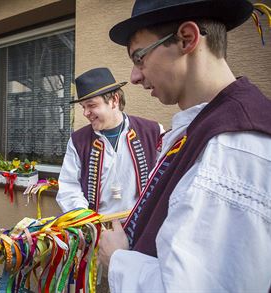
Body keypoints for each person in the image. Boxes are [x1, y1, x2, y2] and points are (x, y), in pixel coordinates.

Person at [99, 0, 271, 291]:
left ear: (187, 38)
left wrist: (118, 258)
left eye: (139, 57)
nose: (134, 76)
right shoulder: (205, 126)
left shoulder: (231, 148)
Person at [56, 67, 162, 215]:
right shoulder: (78, 141)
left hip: (139, 225)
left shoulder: (153, 131)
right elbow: (69, 186)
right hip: (97, 229)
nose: (86, 113)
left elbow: (165, 177)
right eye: (83, 107)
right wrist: (85, 219)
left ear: (114, 100)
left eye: (91, 105)